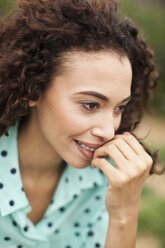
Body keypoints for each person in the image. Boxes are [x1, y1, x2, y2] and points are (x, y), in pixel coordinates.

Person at [0, 0, 162, 247]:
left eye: (119, 107)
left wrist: (125, 211)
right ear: (33, 89)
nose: (109, 131)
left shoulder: (104, 180)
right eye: (90, 105)